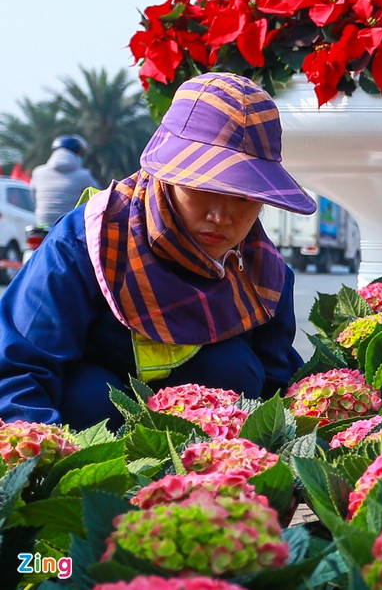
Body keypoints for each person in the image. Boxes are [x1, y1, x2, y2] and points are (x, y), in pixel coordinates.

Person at [0, 72, 318, 430]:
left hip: (210, 465)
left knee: (235, 369)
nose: (221, 215)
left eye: (244, 196)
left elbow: (277, 387)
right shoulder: (84, 245)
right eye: (203, 187)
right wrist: (41, 459)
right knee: (88, 394)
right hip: (92, 447)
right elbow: (20, 371)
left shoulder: (264, 275)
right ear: (165, 177)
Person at [29, 134, 99, 227]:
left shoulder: (38, 172)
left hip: (42, 223)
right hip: (68, 226)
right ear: (77, 153)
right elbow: (97, 198)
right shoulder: (83, 175)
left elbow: (33, 197)